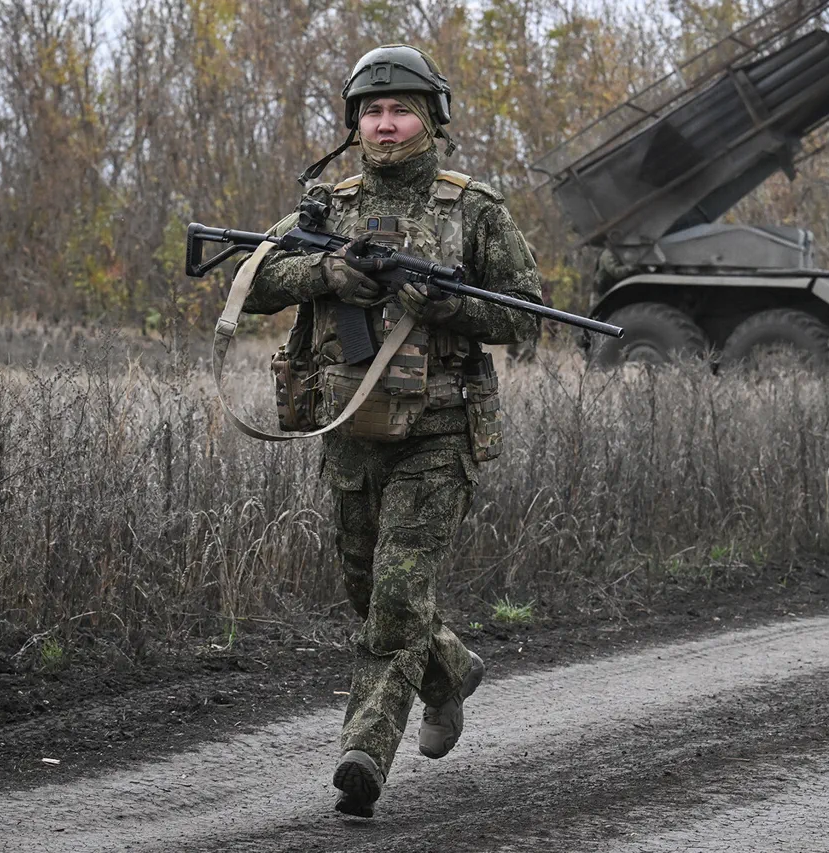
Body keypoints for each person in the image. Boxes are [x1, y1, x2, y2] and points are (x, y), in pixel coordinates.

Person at [239, 44, 541, 817]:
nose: (383, 124)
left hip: (438, 432)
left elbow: (525, 314)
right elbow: (251, 279)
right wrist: (325, 272)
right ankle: (449, 668)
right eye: (371, 111)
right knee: (366, 589)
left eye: (400, 110)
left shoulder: (473, 210)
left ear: (431, 119)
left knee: (399, 595)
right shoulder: (327, 207)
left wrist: (452, 305)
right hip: (349, 428)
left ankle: (363, 757)